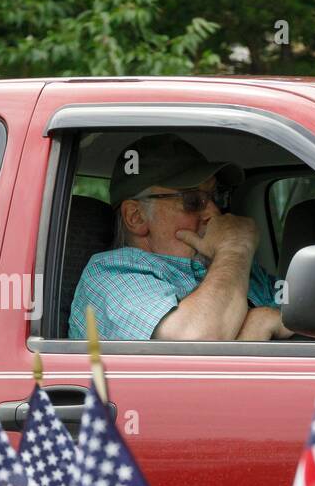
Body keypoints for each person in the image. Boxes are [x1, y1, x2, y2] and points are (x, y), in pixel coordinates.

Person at [70, 134, 291, 341]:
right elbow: (195, 343)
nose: (214, 213)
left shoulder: (240, 269)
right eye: (193, 201)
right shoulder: (110, 275)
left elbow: (310, 319)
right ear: (135, 217)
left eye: (216, 196)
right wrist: (234, 248)